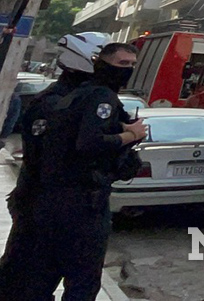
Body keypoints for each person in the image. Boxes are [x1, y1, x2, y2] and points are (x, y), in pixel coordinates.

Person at [21, 41, 147, 301]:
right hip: (82, 204)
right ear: (102, 63)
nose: (129, 69)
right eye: (123, 63)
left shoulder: (77, 95)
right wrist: (129, 134)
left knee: (45, 276)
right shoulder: (101, 97)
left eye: (132, 64)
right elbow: (89, 143)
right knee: (83, 281)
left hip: (51, 202)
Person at [0, 32, 108, 296]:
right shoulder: (57, 102)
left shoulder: (85, 98)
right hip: (49, 209)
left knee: (78, 284)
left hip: (73, 209)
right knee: (24, 284)